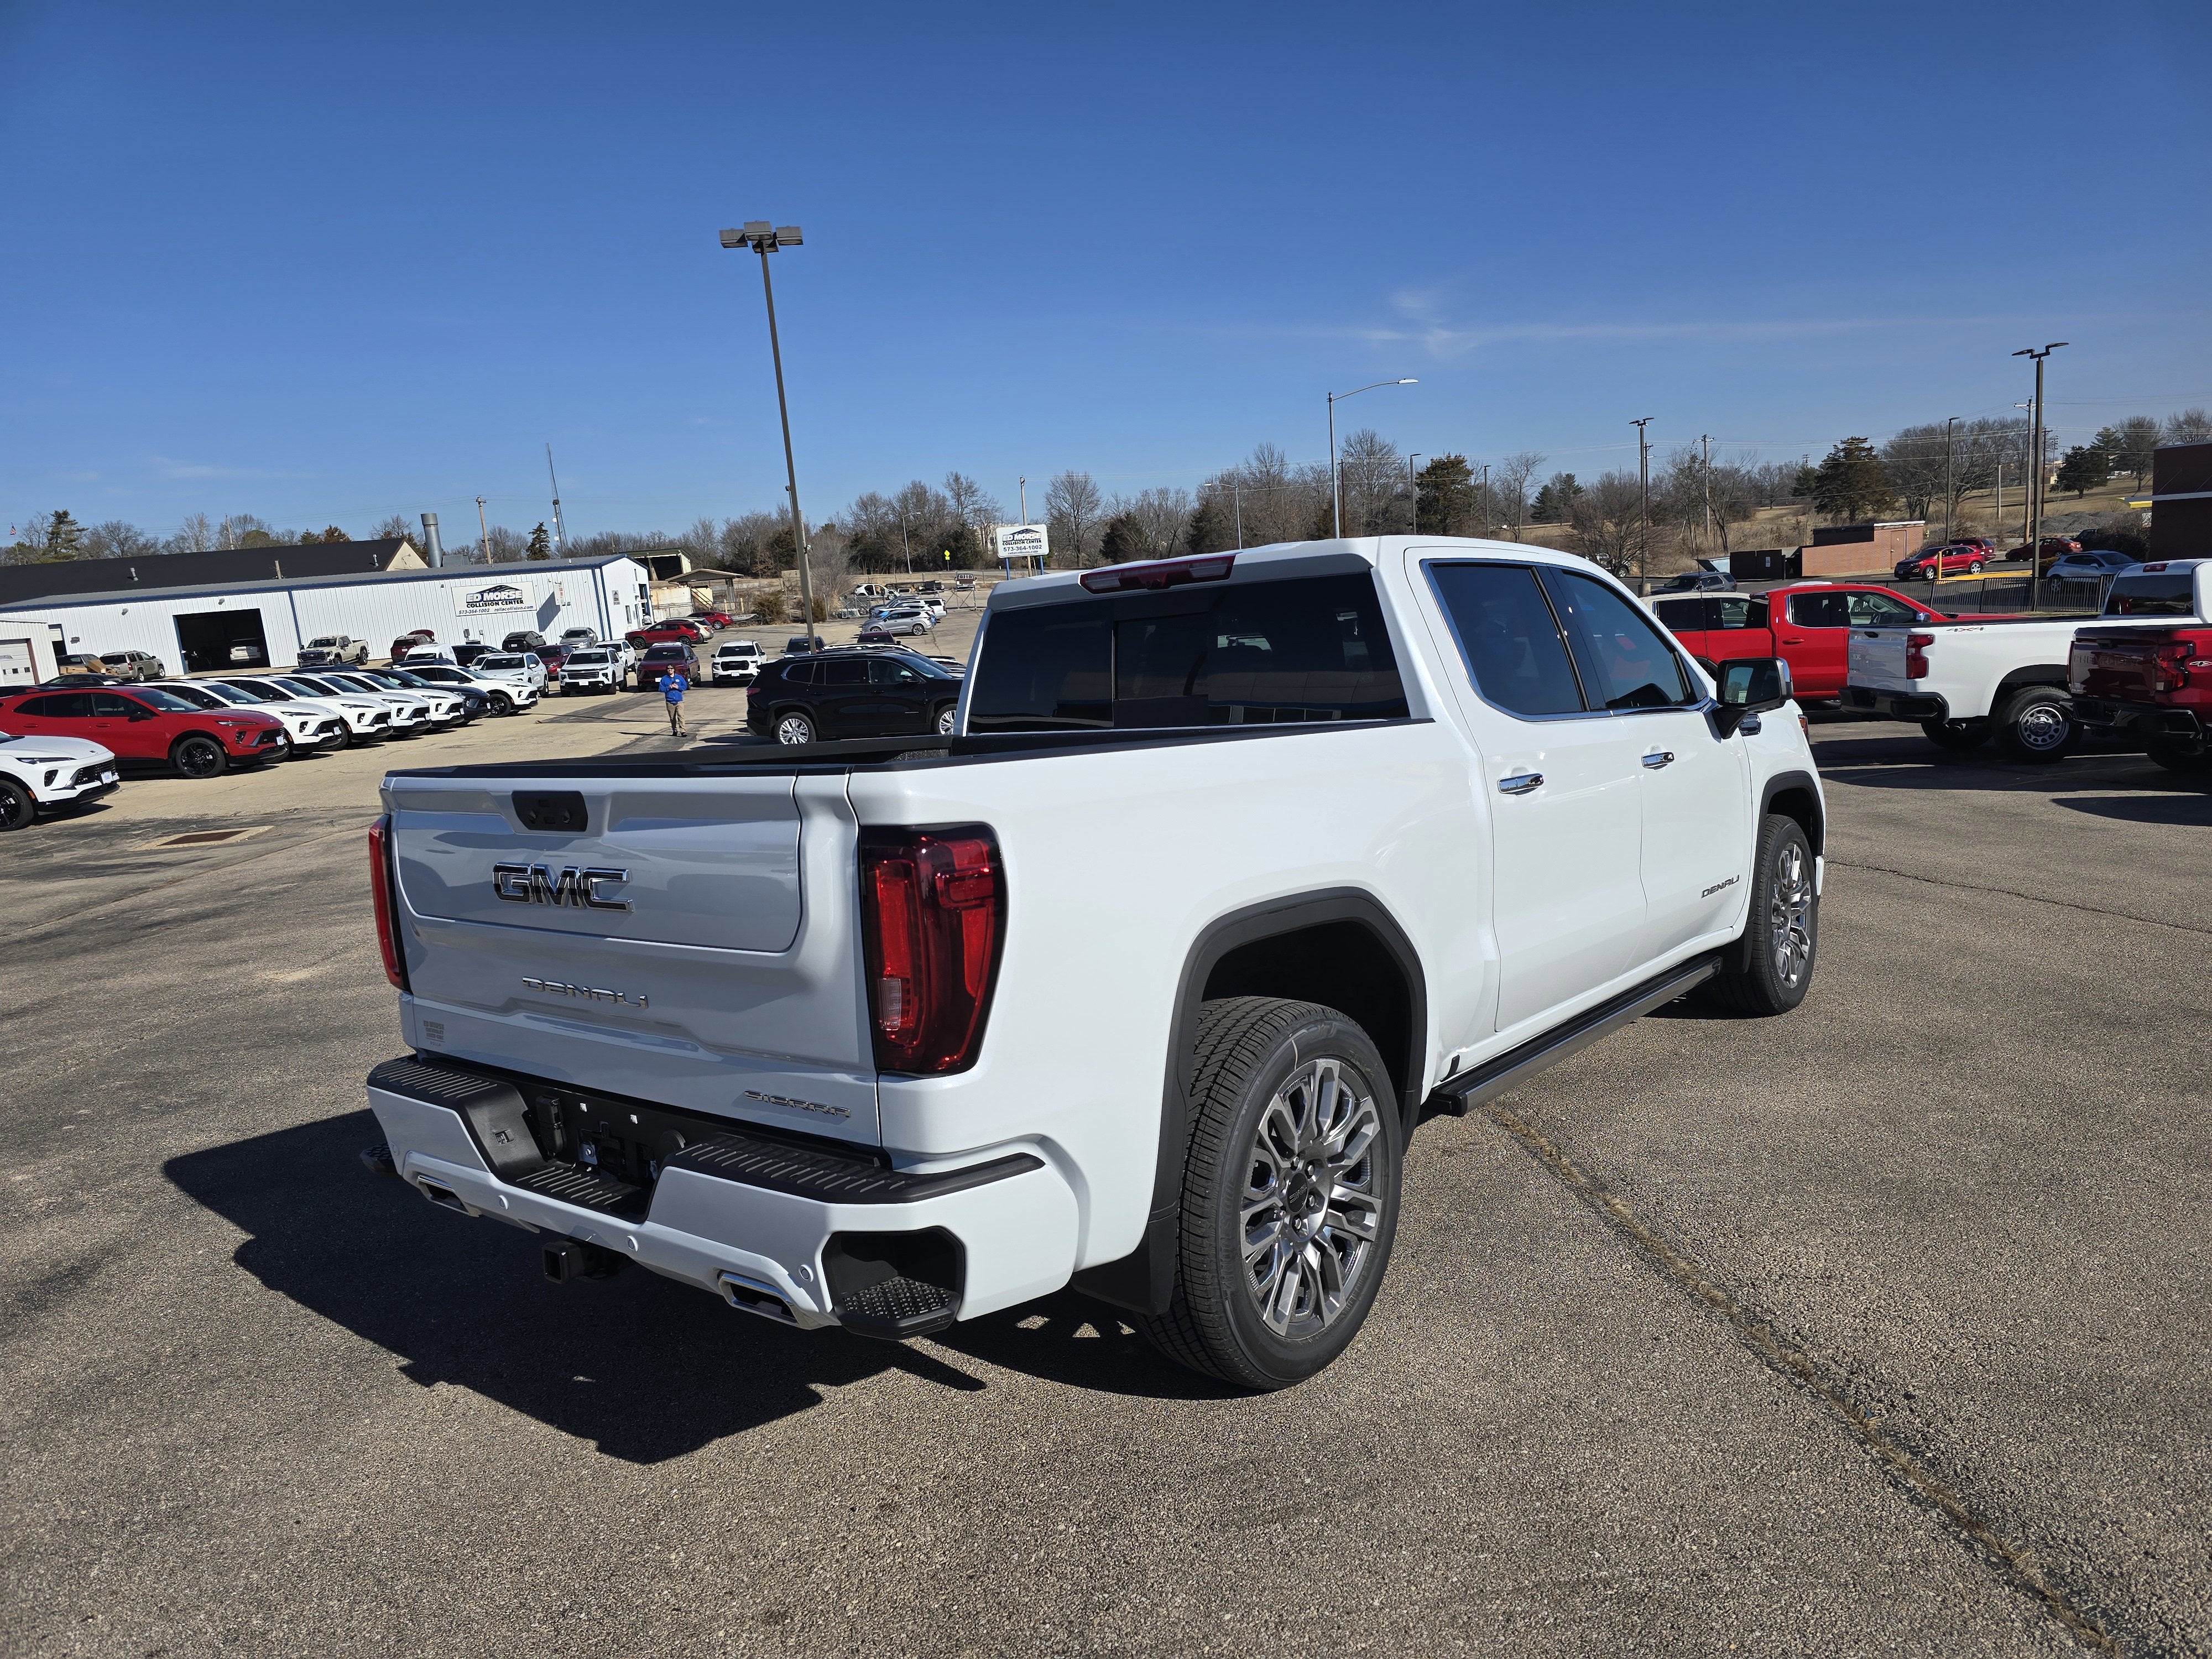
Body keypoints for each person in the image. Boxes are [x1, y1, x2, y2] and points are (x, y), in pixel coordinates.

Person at [661, 664, 688, 737]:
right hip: (670, 701)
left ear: (674, 670)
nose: (670, 670)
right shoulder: (664, 679)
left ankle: (683, 731)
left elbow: (685, 686)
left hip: (679, 701)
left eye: (671, 669)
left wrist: (678, 687)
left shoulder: (679, 678)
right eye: (668, 669)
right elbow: (661, 688)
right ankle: (675, 730)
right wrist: (668, 688)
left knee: (681, 716)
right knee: (673, 718)